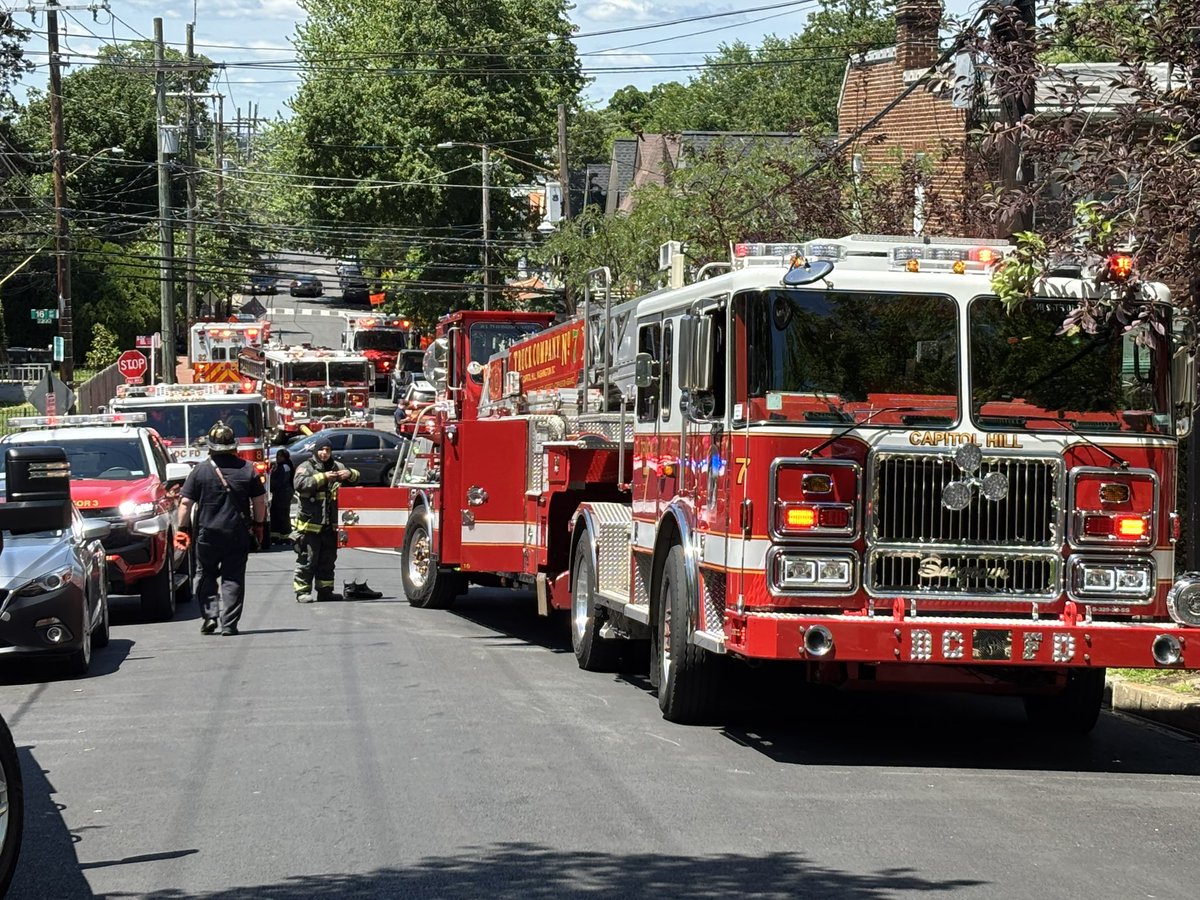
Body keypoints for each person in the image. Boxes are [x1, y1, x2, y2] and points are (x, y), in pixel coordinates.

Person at [175, 423, 268, 636]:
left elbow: (185, 504)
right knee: (233, 577)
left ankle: (210, 616)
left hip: (207, 534)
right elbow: (260, 501)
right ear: (233, 446)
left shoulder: (200, 470)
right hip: (237, 533)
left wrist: (182, 529)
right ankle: (229, 624)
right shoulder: (247, 469)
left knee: (205, 575)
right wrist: (259, 525)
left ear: (211, 446)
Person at [292, 435, 363, 602]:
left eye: (328, 450)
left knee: (328, 561)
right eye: (322, 450)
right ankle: (302, 592)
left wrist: (350, 474)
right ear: (316, 451)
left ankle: (325, 591)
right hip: (310, 525)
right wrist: (323, 478)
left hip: (330, 526)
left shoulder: (337, 466)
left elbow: (357, 479)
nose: (324, 453)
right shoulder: (306, 467)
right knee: (307, 560)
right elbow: (299, 484)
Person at [268, 447, 295, 547]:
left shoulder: (285, 467)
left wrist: (271, 486)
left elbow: (281, 481)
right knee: (275, 514)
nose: (278, 458)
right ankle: (276, 537)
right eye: (277, 456)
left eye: (280, 456)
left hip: (283, 494)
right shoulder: (279, 466)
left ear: (284, 457)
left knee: (282, 515)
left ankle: (286, 538)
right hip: (279, 494)